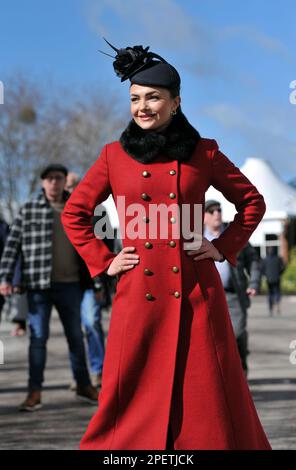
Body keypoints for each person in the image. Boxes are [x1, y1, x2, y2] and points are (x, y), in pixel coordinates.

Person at [61, 41, 271, 450]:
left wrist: (222, 246)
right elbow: (75, 212)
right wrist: (105, 261)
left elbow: (252, 202)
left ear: (175, 102)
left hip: (197, 291)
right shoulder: (113, 156)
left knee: (206, 392)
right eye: (135, 99)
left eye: (152, 98)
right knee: (131, 391)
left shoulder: (204, 152)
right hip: (138, 291)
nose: (142, 107)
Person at [0, 164, 98, 411]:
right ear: (43, 182)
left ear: (65, 181)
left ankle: (84, 386)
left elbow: (92, 245)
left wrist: (98, 281)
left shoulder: (77, 208)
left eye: (58, 178)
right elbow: (12, 246)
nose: (54, 183)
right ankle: (35, 392)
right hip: (38, 286)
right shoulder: (29, 210)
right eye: (49, 179)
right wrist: (5, 278)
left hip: (72, 285)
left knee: (76, 337)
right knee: (38, 339)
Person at [66, 172, 115, 389]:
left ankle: (98, 371)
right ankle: (80, 375)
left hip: (90, 282)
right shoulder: (58, 213)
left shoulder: (99, 212)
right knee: (73, 330)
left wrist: (101, 281)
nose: (70, 189)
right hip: (65, 283)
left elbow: (107, 246)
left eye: (74, 185)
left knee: (92, 324)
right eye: (68, 186)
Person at [204, 199, 262, 376]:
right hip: (207, 297)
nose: (217, 214)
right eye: (211, 211)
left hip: (233, 295)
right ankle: (222, 378)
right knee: (212, 341)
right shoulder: (196, 237)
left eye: (219, 210)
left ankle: (241, 369)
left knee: (236, 334)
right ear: (203, 216)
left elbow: (254, 259)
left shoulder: (233, 234)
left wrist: (253, 283)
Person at [261, 246, 285, 315]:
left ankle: (270, 308)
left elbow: (261, 269)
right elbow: (283, 267)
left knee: (270, 293)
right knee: (277, 292)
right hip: (277, 278)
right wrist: (279, 273)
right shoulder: (278, 258)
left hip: (269, 279)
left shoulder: (265, 259)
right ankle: (277, 304)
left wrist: (265, 275)